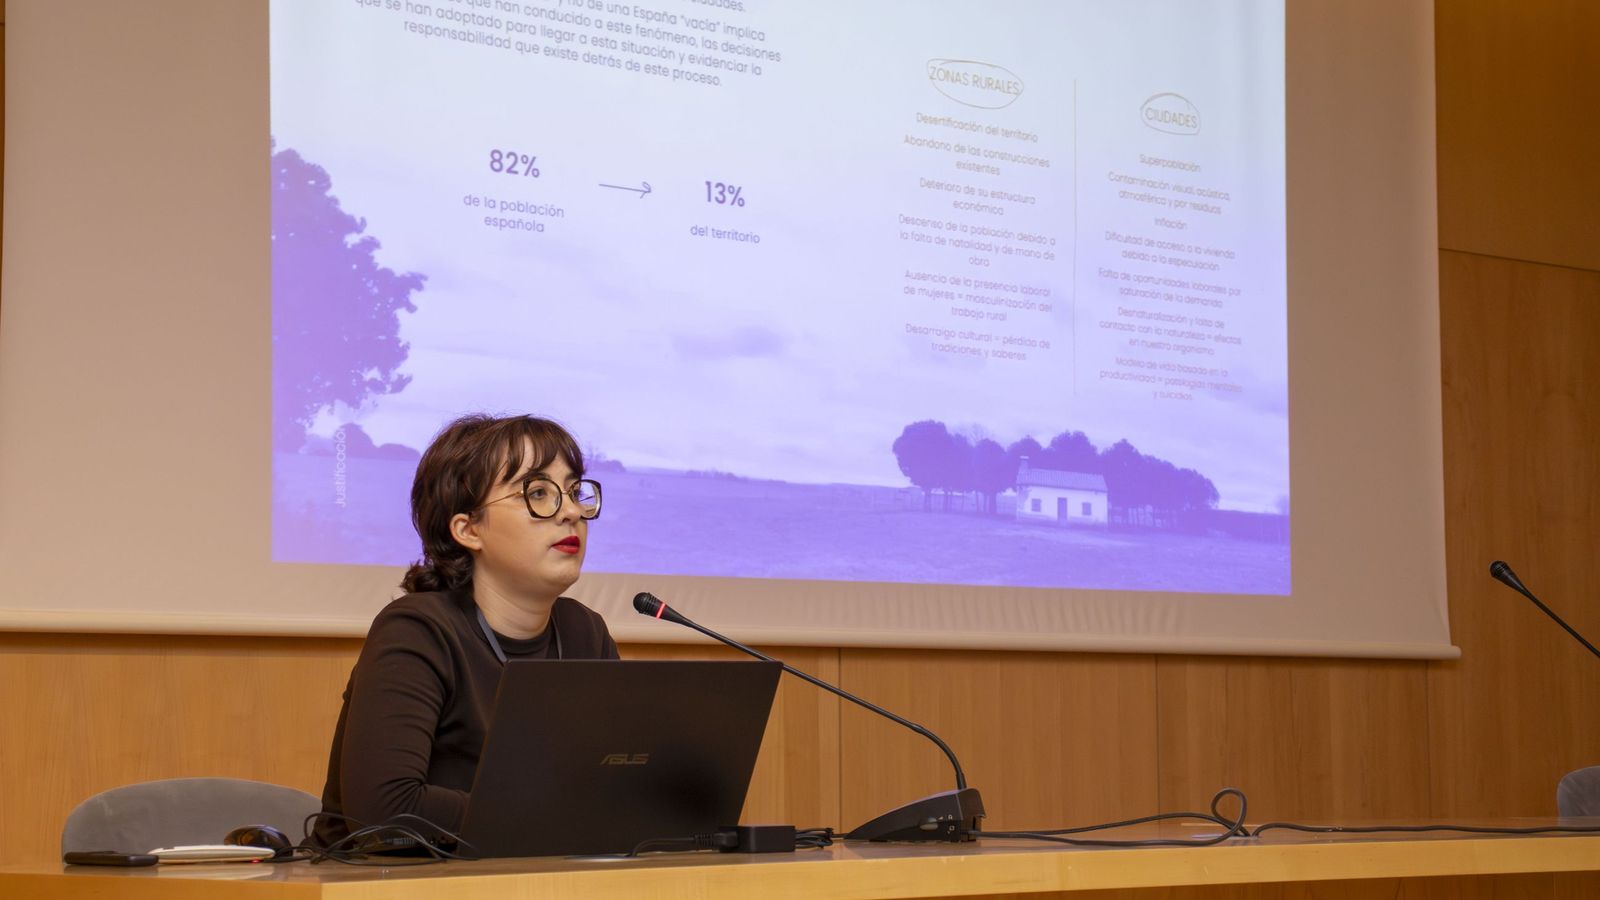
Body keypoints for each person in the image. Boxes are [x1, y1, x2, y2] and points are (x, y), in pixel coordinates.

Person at [314, 414, 619, 847]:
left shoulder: (584, 633)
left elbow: (615, 794)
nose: (571, 512)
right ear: (468, 529)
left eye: (573, 492)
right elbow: (385, 811)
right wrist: (555, 817)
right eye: (538, 493)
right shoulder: (418, 630)